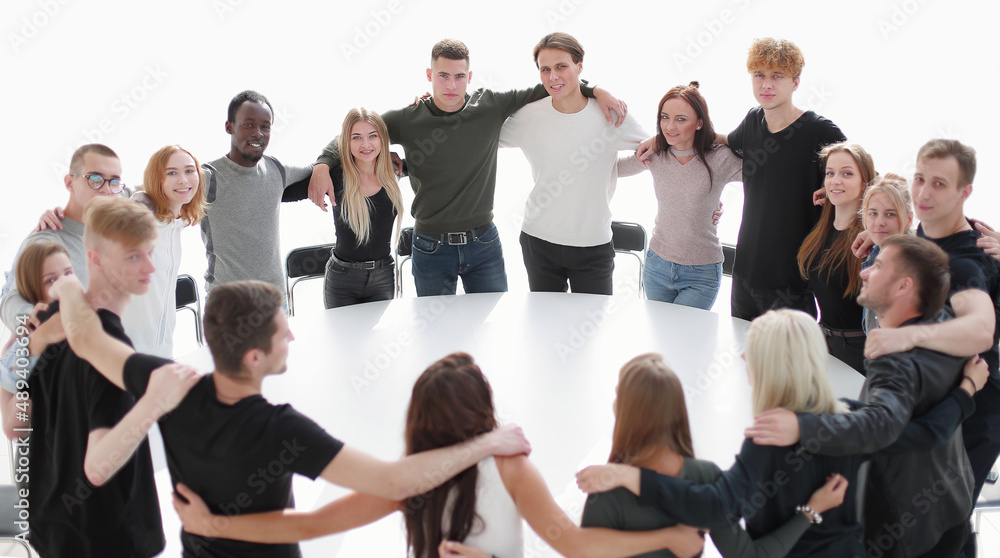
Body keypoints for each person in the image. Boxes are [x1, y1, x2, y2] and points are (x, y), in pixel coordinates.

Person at [52, 279, 537, 557]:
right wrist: (485, 443)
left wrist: (67, 283)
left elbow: (87, 340)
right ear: (255, 359)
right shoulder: (281, 429)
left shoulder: (170, 387)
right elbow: (395, 482)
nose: (294, 339)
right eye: (284, 334)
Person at [170, 352, 707, 558]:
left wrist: (214, 527)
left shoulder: (419, 478)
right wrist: (666, 535)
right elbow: (575, 546)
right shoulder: (500, 466)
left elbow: (310, 525)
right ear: (483, 411)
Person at [308, 39, 628, 297]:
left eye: (459, 76)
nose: (451, 84)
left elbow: (555, 86)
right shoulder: (408, 119)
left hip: (484, 244)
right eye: (443, 76)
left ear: (469, 77)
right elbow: (359, 133)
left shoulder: (489, 106)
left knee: (493, 331)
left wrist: (596, 89)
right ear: (430, 76)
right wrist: (324, 162)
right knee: (438, 336)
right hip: (430, 247)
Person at [748, 234, 984, 557]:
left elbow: (882, 424)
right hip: (952, 506)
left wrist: (802, 428)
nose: (864, 271)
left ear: (904, 286)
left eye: (878, 265)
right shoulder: (945, 327)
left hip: (904, 531)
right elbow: (918, 425)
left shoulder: (894, 359)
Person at [577, 310, 865, 557]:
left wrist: (628, 476)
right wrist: (809, 512)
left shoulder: (604, 487)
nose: (741, 356)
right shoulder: (857, 421)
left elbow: (715, 508)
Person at [22, 196, 201, 558]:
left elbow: (24, 422)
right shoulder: (108, 345)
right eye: (133, 256)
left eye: (151, 251)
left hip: (56, 528)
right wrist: (152, 403)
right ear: (95, 260)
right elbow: (98, 467)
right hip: (103, 537)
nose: (150, 266)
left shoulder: (53, 319)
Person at [859, 139, 999, 557]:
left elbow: (980, 330)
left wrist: (907, 336)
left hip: (974, 409)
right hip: (934, 400)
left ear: (964, 192)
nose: (923, 193)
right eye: (920, 179)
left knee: (936, 526)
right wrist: (878, 238)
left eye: (939, 184)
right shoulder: (924, 239)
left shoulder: (965, 263)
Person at [499, 32, 647, 295]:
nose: (553, 77)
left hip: (593, 245)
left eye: (561, 67)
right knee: (546, 326)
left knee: (591, 331)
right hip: (538, 241)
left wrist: (609, 169)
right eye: (545, 69)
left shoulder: (610, 114)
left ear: (579, 66)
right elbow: (477, 141)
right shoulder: (528, 116)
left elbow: (655, 152)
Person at [716, 38, 846, 321]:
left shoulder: (820, 131)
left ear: (795, 83)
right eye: (759, 75)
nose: (767, 84)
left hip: (792, 282)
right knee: (745, 361)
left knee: (789, 365)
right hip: (745, 273)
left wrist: (837, 189)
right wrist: (665, 139)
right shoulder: (752, 120)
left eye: (777, 76)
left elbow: (863, 177)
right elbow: (727, 141)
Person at [617, 82, 741, 309]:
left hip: (701, 273)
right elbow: (613, 169)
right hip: (657, 266)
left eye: (681, 119)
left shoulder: (721, 158)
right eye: (665, 117)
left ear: (700, 123)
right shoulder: (655, 154)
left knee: (684, 341)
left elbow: (766, 167)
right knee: (660, 339)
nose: (670, 127)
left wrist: (719, 137)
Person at [201, 90, 314, 308]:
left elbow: (317, 168)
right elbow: (158, 188)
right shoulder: (208, 176)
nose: (258, 133)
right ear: (229, 127)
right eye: (248, 124)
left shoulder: (277, 170)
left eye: (265, 126)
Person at [287, 108, 404, 308]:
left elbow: (436, 166)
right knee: (342, 339)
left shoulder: (394, 170)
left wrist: (424, 104)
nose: (366, 145)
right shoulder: (335, 175)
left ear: (383, 139)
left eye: (373, 136)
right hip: (343, 279)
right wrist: (320, 166)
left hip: (384, 275)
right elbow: (282, 192)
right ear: (345, 142)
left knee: (377, 339)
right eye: (356, 137)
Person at [0, 143, 122, 331]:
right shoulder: (47, 241)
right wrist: (29, 319)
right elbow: (12, 299)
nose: (106, 189)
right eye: (95, 178)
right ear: (69, 183)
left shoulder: (111, 232)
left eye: (114, 181)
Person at [120, 145, 206, 357]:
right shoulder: (142, 217)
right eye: (172, 173)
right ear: (157, 179)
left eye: (189, 170)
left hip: (161, 348)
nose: (183, 180)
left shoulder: (174, 224)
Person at [796, 142, 875, 373]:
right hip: (824, 343)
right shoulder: (821, 230)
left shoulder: (871, 238)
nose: (835, 180)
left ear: (865, 183)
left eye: (847, 174)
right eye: (830, 173)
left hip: (862, 351)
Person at [0, 241, 73, 441]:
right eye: (50, 280)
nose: (64, 284)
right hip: (48, 459)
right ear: (32, 291)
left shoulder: (95, 323)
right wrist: (37, 346)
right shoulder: (18, 347)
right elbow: (15, 427)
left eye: (68, 273)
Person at [858, 174, 912, 333]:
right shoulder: (876, 256)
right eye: (873, 213)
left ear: (909, 219)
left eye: (890, 214)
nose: (879, 222)